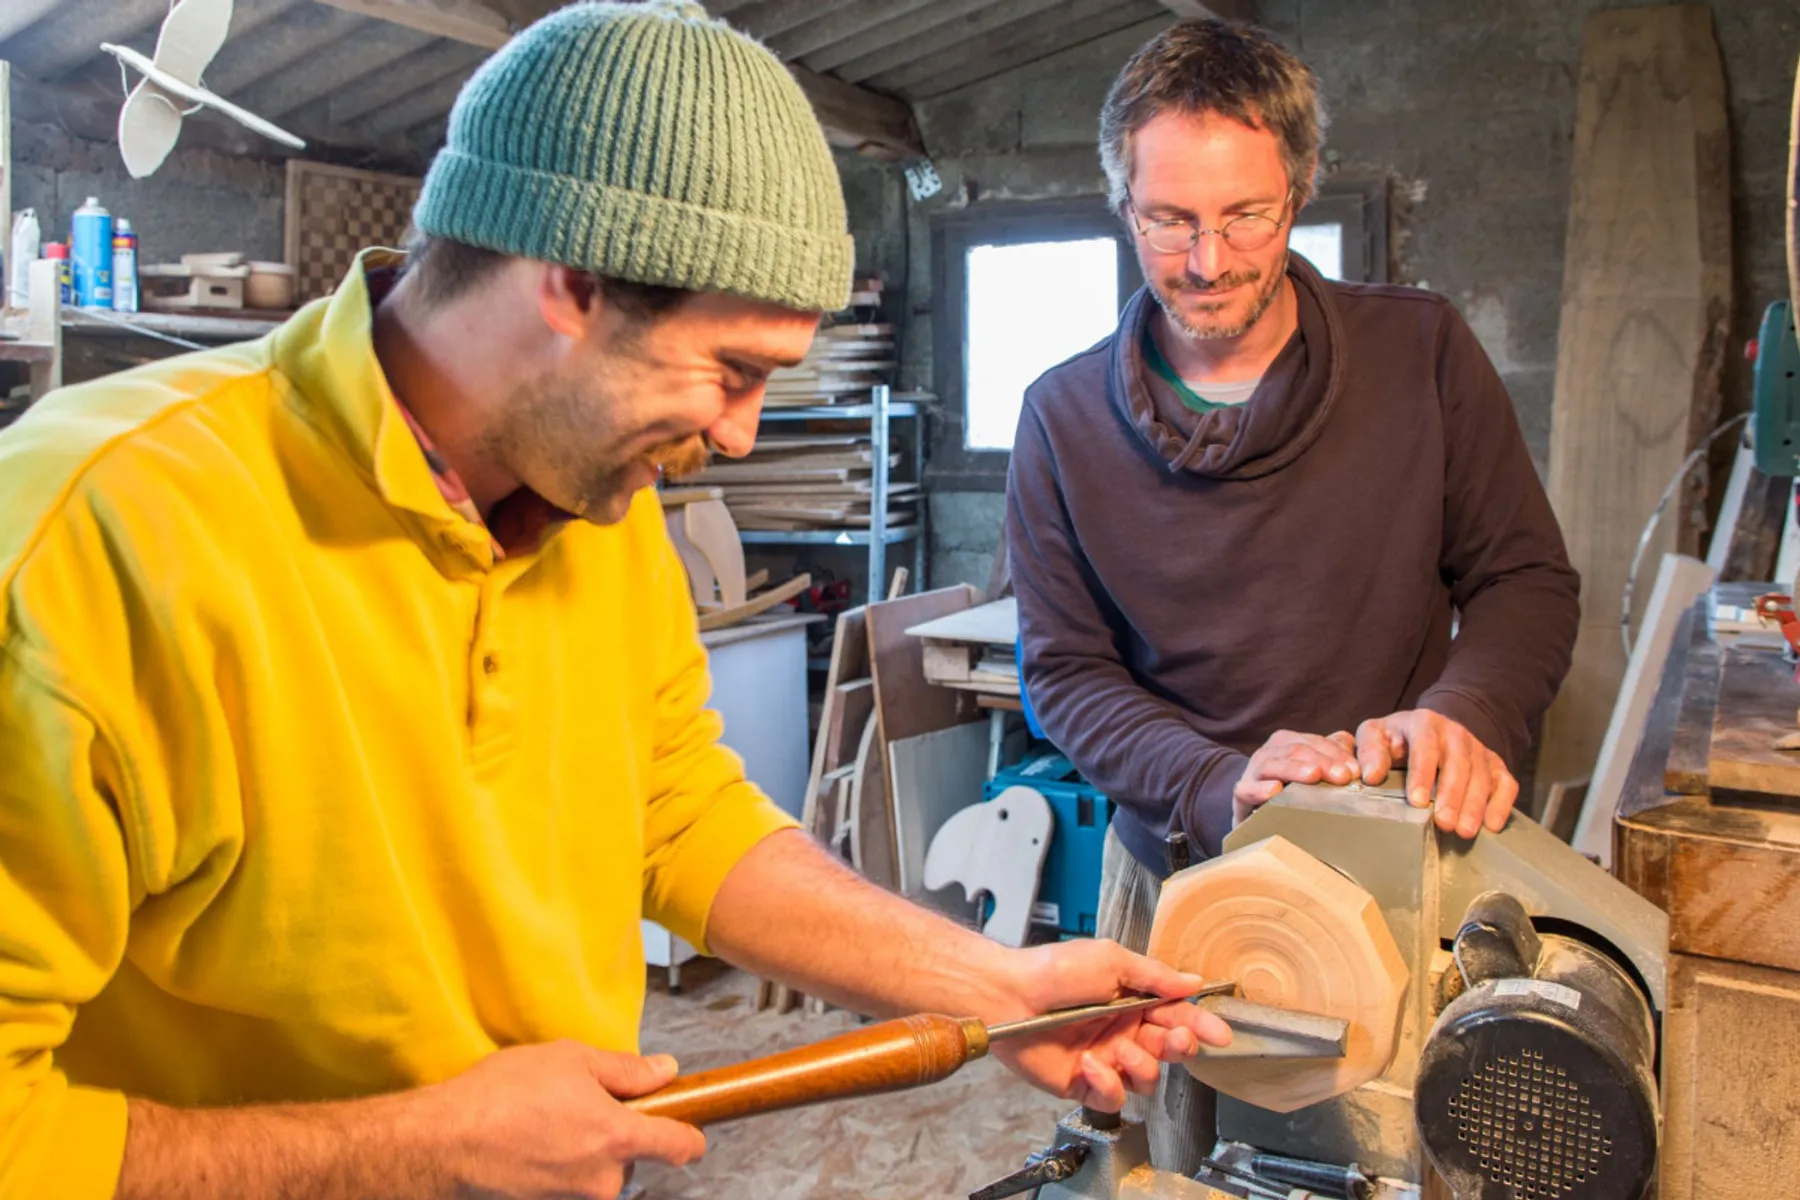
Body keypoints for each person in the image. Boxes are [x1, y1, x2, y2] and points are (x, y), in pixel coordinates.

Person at [0, 5, 1232, 1198]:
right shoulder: (95, 538)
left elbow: (669, 811)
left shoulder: (599, 508)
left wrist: (989, 986)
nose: (745, 436)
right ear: (572, 280)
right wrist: (417, 1146)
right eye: (731, 369)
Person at [1006, 18, 1580, 1172]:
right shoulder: (1061, 419)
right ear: (1126, 204)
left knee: (1391, 1156)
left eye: (1245, 216)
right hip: (1176, 870)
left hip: (1399, 863)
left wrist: (1462, 717)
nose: (1207, 261)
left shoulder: (1421, 353)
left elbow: (1524, 579)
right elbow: (1064, 673)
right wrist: (1216, 782)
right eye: (1168, 220)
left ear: (1301, 187)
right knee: (1176, 1165)